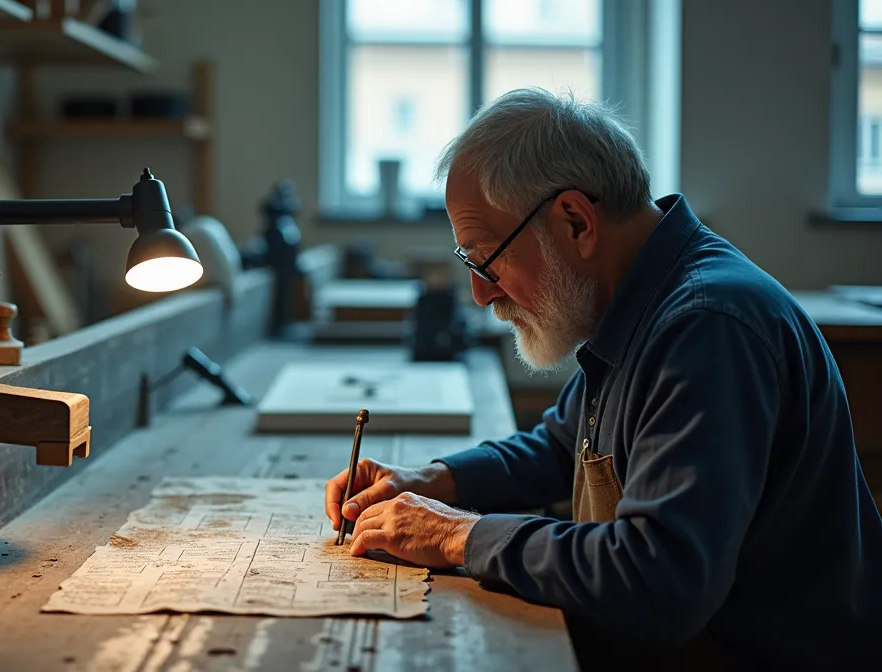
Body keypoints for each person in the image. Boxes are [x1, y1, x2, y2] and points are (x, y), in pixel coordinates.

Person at [325, 88, 882, 669]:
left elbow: (659, 579)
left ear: (574, 220)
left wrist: (457, 535)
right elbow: (561, 447)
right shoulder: (641, 302)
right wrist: (431, 480)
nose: (480, 292)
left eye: (485, 258)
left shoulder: (705, 328)